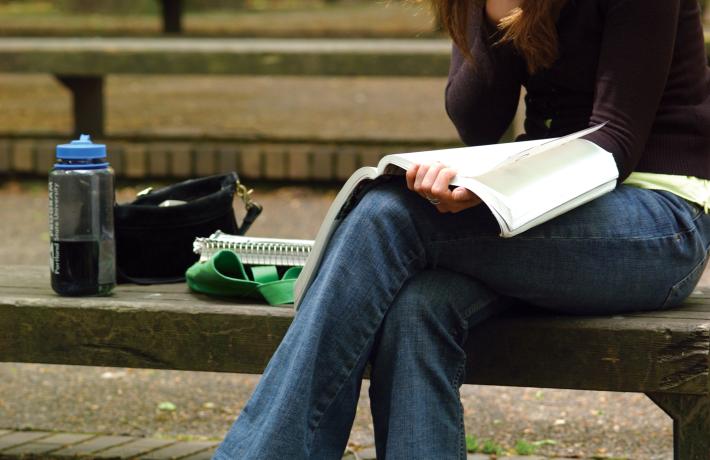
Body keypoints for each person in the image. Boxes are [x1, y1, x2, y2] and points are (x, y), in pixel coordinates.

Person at [214, 0, 710, 458]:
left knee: (389, 214)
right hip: (545, 213)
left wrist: (498, 191)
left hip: (659, 222)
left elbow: (615, 141)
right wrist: (494, 9)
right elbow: (477, 121)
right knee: (417, 305)